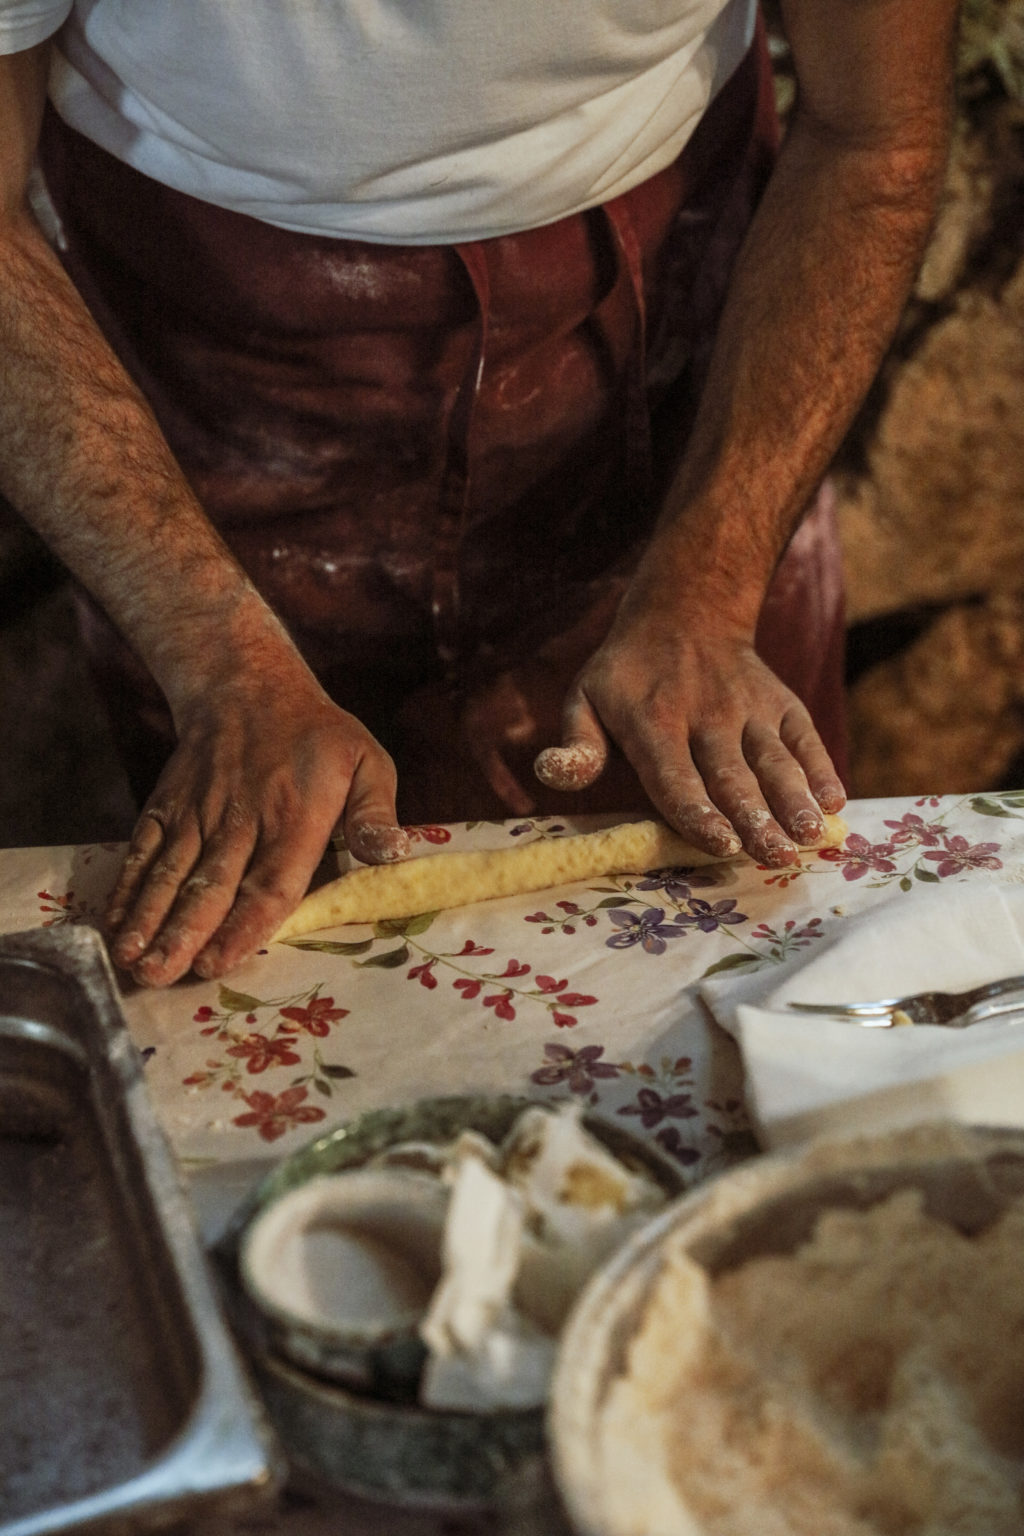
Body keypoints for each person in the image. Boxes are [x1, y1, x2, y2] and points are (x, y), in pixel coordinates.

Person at [0, 0, 956, 987]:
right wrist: (215, 655)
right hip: (208, 355)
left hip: (676, 324)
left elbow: (870, 135)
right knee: (288, 953)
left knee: (737, 946)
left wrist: (711, 582)